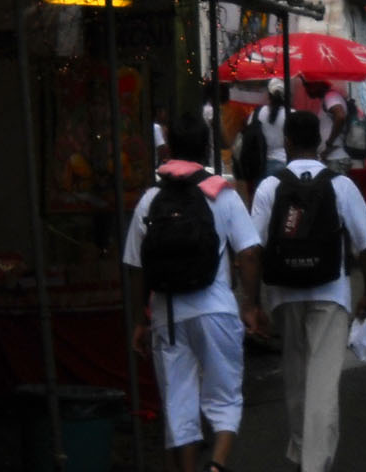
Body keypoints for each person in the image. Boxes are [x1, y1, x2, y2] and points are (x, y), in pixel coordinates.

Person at [124, 112, 264, 472]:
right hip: (216, 309)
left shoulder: (150, 199)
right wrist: (250, 305)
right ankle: (216, 464)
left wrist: (141, 318)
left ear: (168, 148)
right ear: (206, 147)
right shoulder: (222, 194)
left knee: (179, 404)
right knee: (225, 398)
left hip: (168, 315)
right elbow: (248, 253)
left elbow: (135, 267)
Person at [251, 110, 366, 472]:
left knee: (295, 381)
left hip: (283, 295)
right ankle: (313, 464)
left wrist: (251, 301)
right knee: (323, 385)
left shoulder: (269, 187)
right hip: (331, 293)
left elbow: (251, 249)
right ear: (320, 142)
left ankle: (301, 452)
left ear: (288, 141)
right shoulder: (339, 185)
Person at [305, 78, 350, 172]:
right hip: (332, 158)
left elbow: (340, 116)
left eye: (308, 85)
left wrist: (329, 144)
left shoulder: (331, 97)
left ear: (317, 84)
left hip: (336, 158)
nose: (307, 89)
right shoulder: (327, 98)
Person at [256, 80, 289, 179]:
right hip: (286, 161)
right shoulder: (291, 113)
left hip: (267, 161)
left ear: (269, 94)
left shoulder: (260, 112)